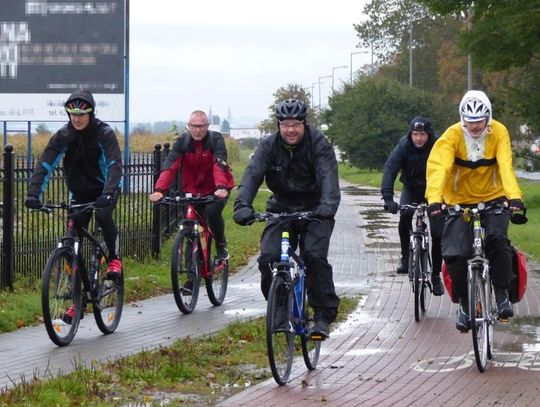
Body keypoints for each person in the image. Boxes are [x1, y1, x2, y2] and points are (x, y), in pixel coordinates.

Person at [233, 98, 341, 339]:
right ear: (278, 125)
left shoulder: (319, 144)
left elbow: (328, 178)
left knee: (314, 256)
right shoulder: (268, 146)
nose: (290, 130)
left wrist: (327, 206)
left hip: (315, 210)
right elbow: (252, 175)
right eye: (285, 124)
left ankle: (322, 315)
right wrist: (242, 205)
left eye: (295, 124)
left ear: (304, 124)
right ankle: (279, 308)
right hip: (281, 208)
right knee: (268, 259)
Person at [426, 90, 525, 332]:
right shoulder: (451, 136)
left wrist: (514, 197)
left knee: (498, 241)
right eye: (469, 121)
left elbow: (505, 165)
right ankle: (464, 305)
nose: (475, 127)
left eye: (479, 121)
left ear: (488, 118)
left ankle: (501, 294)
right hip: (459, 201)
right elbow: (440, 168)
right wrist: (435, 200)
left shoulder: (498, 132)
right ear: (462, 119)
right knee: (455, 254)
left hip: (493, 199)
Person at [25, 89, 123, 321]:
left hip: (103, 191)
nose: (76, 119)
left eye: (81, 114)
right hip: (79, 194)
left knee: (102, 216)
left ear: (91, 113)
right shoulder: (63, 135)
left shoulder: (104, 133)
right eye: (72, 114)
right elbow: (45, 164)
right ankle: (76, 302)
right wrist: (33, 194)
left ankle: (114, 258)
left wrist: (108, 193)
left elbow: (114, 165)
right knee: (71, 242)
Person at [149, 110, 234, 260]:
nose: (198, 130)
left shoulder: (216, 139)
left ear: (207, 126)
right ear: (189, 126)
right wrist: (160, 190)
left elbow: (219, 165)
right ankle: (191, 278)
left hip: (216, 189)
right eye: (194, 126)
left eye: (202, 126)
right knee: (190, 228)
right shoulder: (182, 142)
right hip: (192, 190)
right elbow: (170, 166)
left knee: (213, 212)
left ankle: (221, 245)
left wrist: (221, 187)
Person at [381, 116, 444, 296]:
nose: (418, 138)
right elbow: (390, 168)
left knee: (438, 232)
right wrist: (387, 198)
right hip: (411, 188)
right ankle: (406, 257)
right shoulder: (404, 146)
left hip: (434, 190)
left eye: (422, 134)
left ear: (428, 135)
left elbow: (449, 169)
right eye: (415, 134)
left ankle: (436, 275)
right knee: (405, 216)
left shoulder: (437, 146)